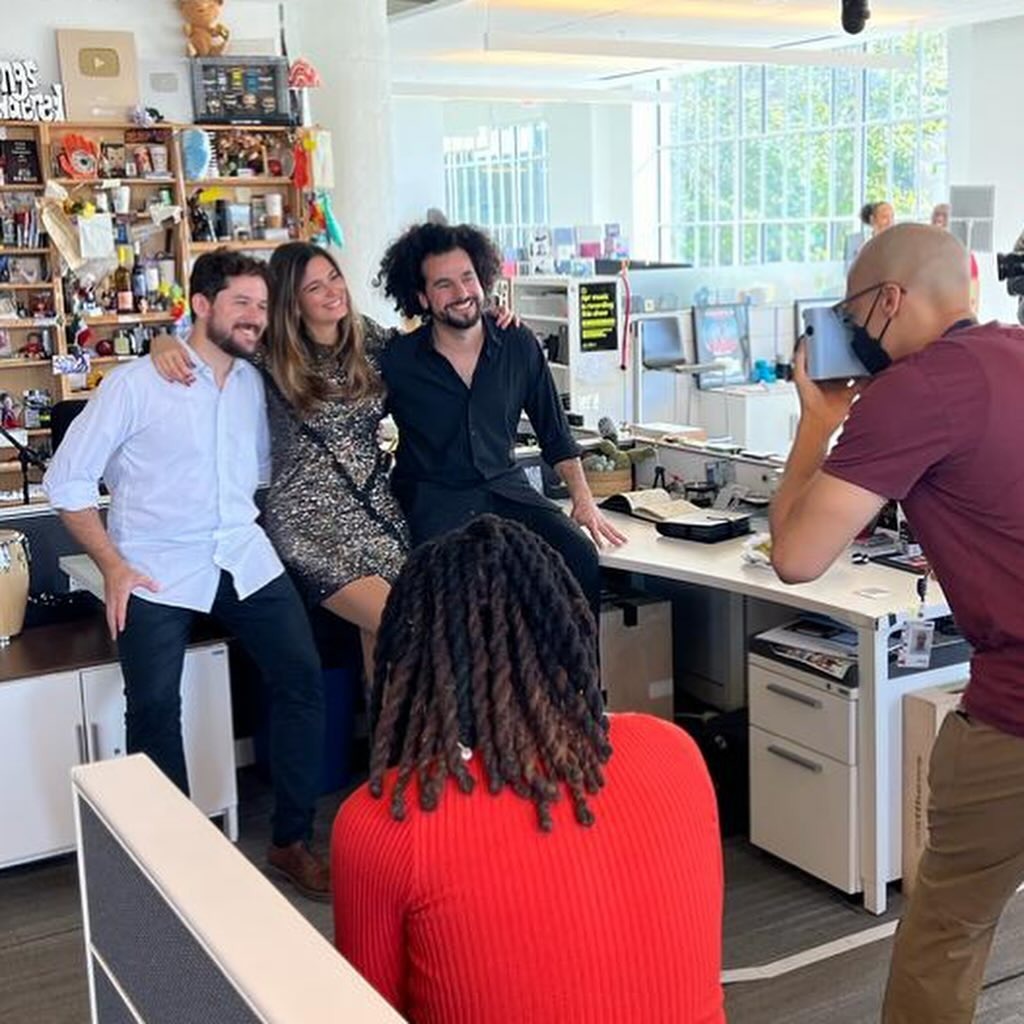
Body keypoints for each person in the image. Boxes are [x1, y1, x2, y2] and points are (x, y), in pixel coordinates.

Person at [769, 222, 1024, 1023]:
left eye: (849, 317)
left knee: (948, 926)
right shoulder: (1014, 351)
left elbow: (797, 556)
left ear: (889, 301)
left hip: (1016, 713)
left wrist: (817, 426)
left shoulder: (915, 392)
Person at [332, 515, 725, 1024]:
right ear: (568, 625)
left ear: (412, 656)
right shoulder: (675, 751)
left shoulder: (387, 822)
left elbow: (363, 1009)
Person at [44, 250, 330, 901]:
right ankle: (171, 862)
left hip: (241, 553)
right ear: (201, 306)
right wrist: (113, 566)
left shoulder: (256, 384)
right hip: (154, 563)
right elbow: (68, 483)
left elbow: (256, 474)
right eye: (241, 304)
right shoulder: (137, 384)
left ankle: (290, 841)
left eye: (261, 306)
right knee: (152, 705)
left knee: (302, 680)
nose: (255, 318)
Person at [151, 243, 515, 678]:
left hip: (377, 514)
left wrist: (490, 319)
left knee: (385, 651)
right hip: (310, 521)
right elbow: (210, 341)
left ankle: (396, 744)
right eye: (314, 287)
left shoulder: (368, 338)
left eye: (335, 278)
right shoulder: (271, 351)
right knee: (406, 621)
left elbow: (434, 344)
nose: (331, 292)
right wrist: (162, 341)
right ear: (293, 300)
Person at [375, 221, 626, 622]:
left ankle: (576, 682)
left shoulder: (518, 343)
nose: (461, 294)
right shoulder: (399, 361)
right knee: (454, 594)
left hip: (507, 492)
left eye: (467, 278)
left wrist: (583, 500)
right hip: (435, 500)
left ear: (483, 278)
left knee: (577, 556)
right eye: (444, 285)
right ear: (421, 297)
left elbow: (555, 435)